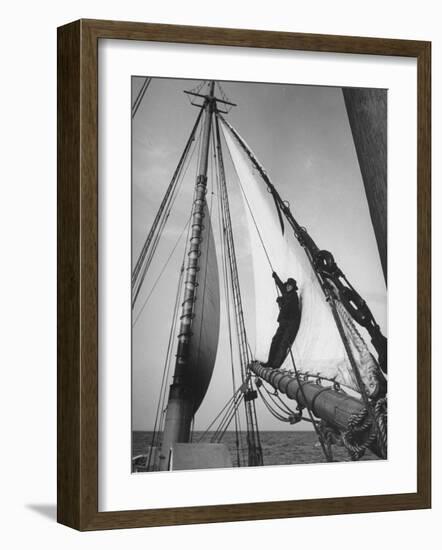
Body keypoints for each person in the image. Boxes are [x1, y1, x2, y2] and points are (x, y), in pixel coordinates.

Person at [263, 272, 301, 369]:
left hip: (291, 324)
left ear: (293, 288)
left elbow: (288, 307)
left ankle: (276, 365)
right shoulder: (286, 293)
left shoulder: (294, 297)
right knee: (275, 340)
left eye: (290, 286)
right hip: (284, 323)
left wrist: (281, 301)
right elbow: (280, 285)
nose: (288, 287)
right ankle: (270, 362)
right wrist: (275, 277)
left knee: (283, 343)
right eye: (287, 285)